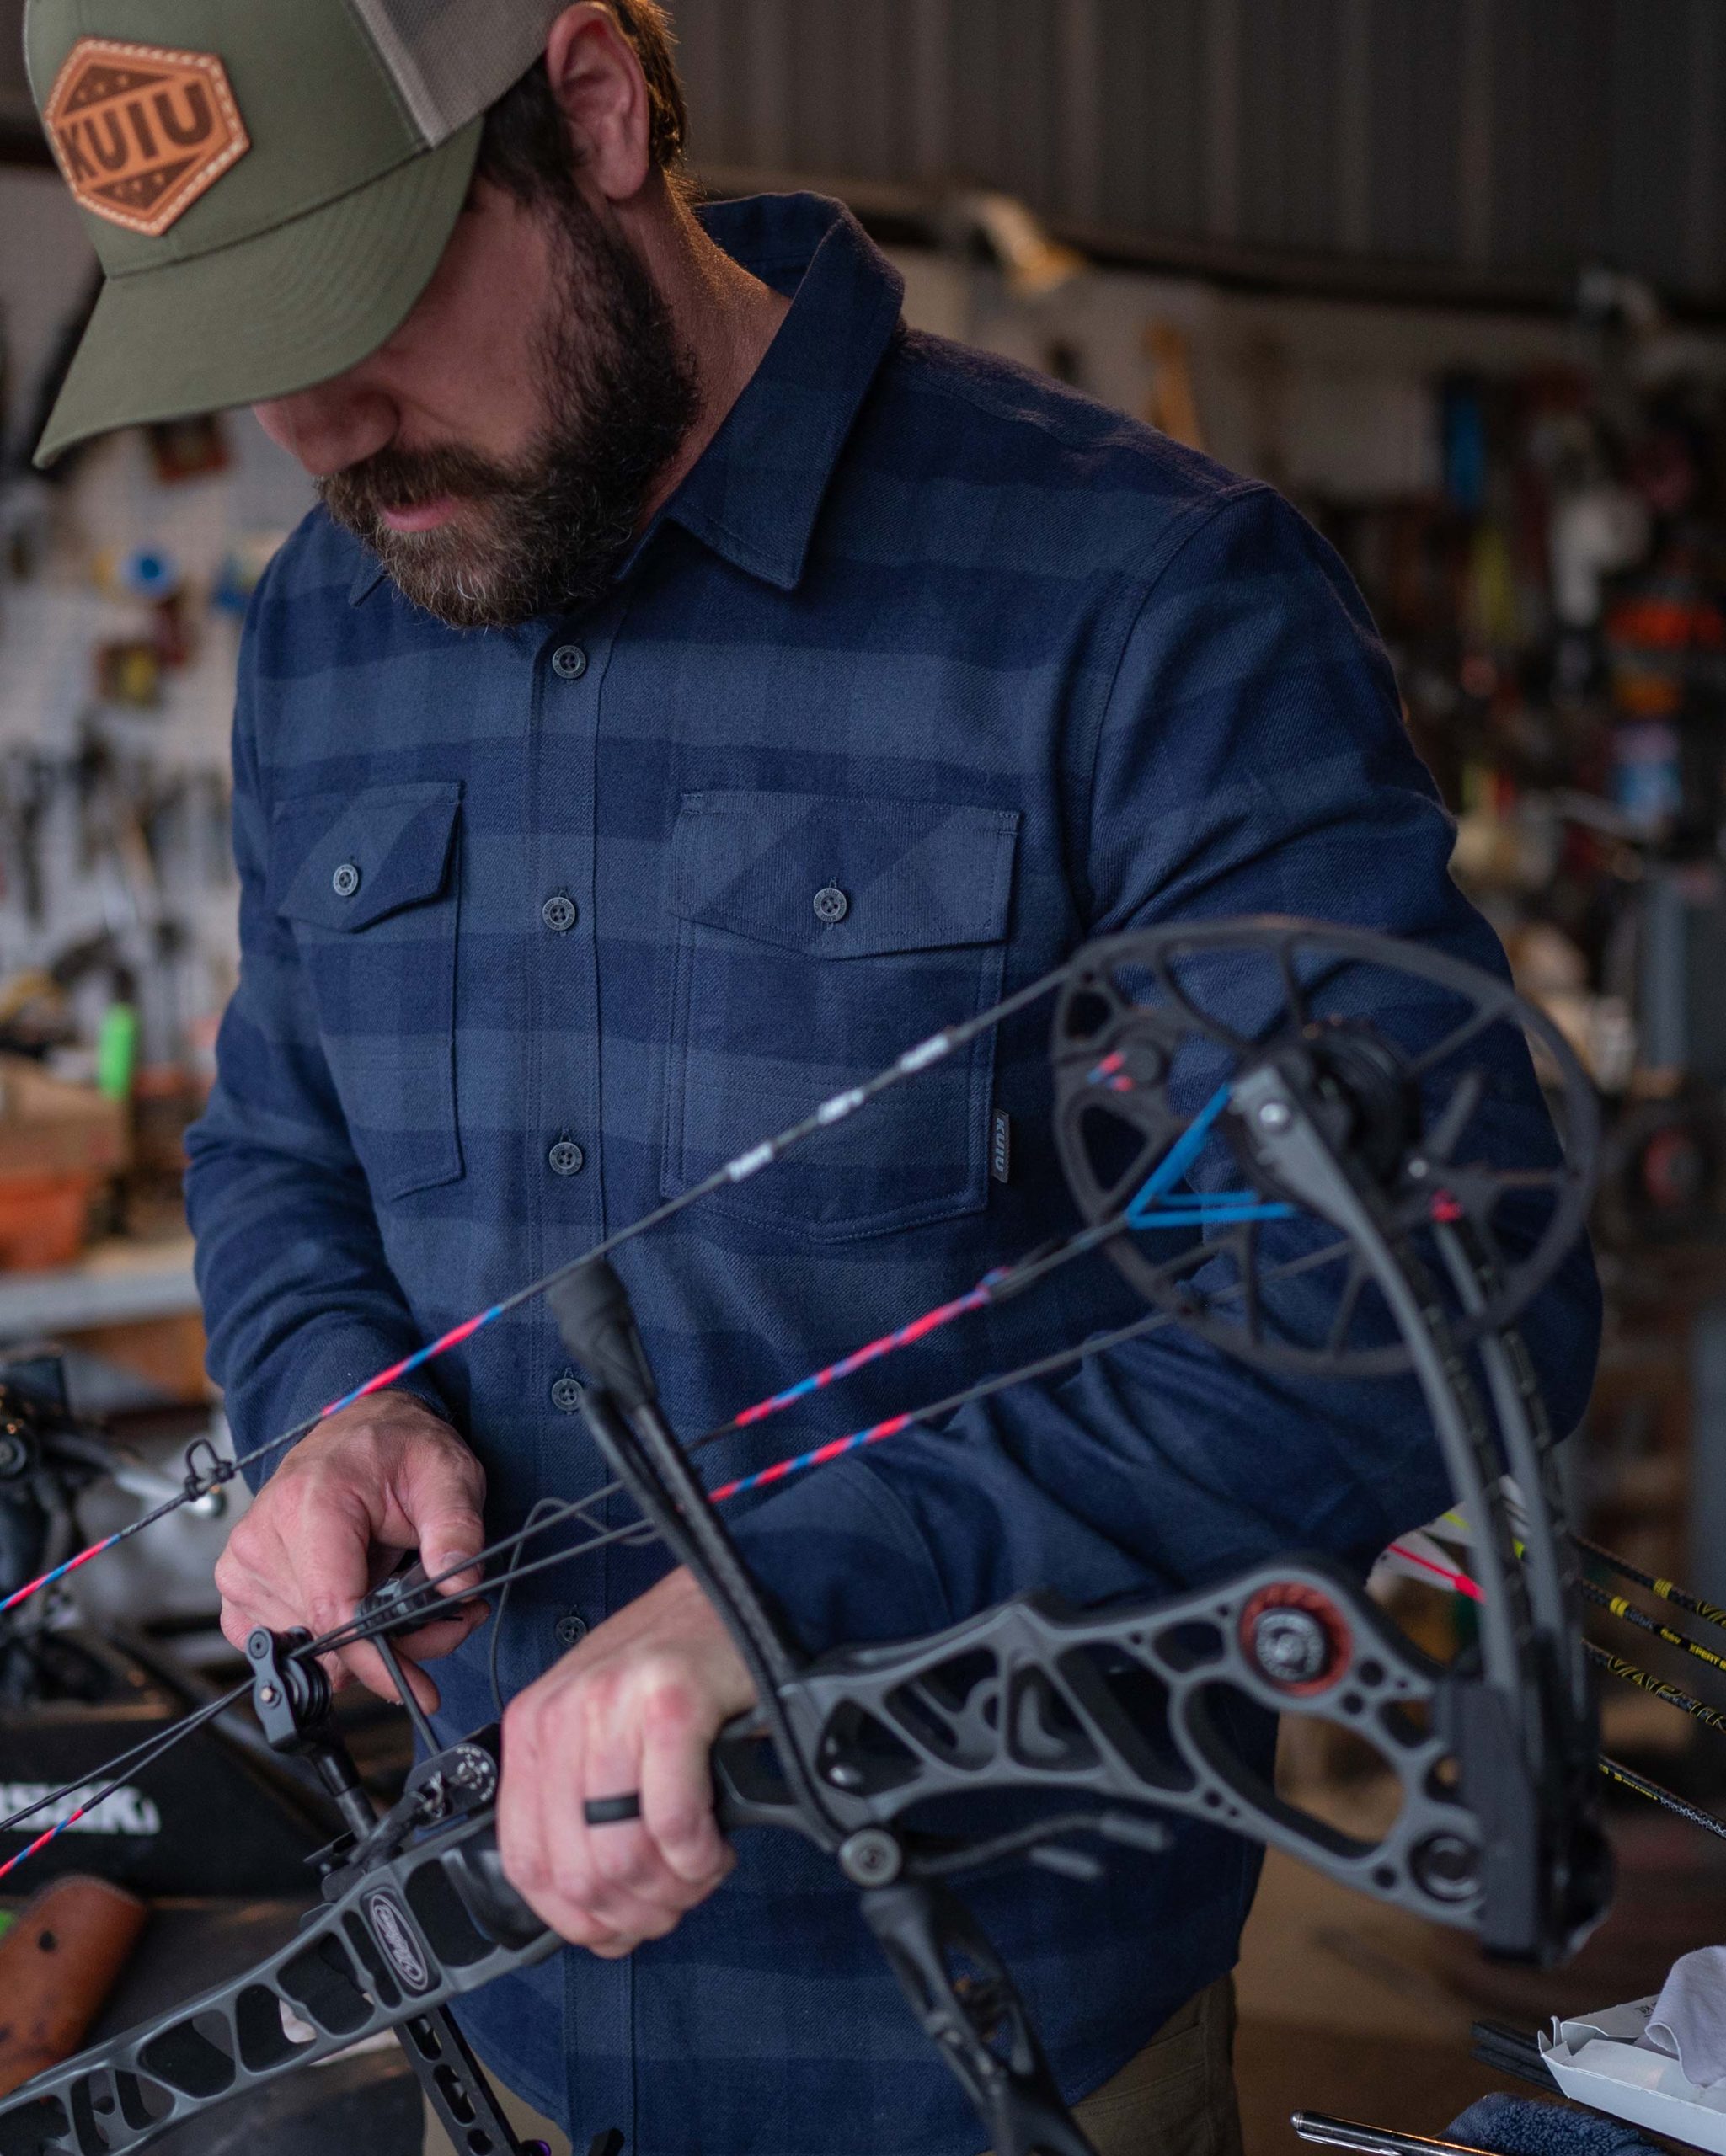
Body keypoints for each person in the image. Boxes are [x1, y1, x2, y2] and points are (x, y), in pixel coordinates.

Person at [27, 4, 1600, 2153]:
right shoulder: (330, 619)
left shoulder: (1136, 599)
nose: (320, 418)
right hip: (488, 2019)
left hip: (998, 2053)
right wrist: (332, 1400)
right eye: (246, 342)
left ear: (586, 112)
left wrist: (775, 1606)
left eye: (362, 295)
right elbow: (282, 1138)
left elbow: (1406, 1311)